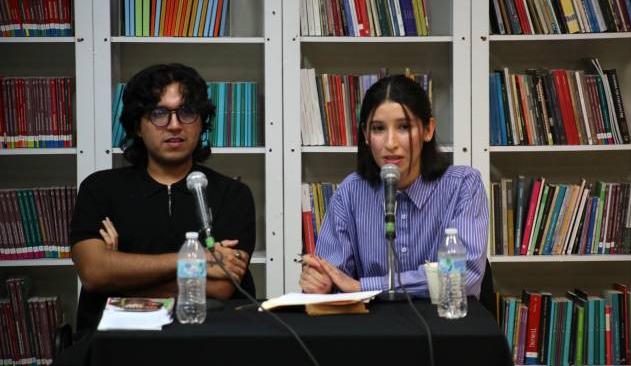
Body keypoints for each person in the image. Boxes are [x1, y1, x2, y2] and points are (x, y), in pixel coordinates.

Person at [70, 63, 256, 332]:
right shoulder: (99, 189)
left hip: (210, 340)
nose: (174, 125)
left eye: (187, 112)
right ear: (137, 125)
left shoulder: (232, 194)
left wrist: (120, 275)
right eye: (159, 113)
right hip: (117, 344)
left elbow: (221, 286)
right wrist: (195, 260)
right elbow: (94, 274)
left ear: (202, 121)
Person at [299, 75, 488, 297]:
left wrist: (363, 287)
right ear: (366, 135)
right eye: (378, 128)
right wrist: (321, 282)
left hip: (443, 326)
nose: (390, 143)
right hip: (375, 327)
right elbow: (332, 275)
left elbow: (459, 277)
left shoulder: (464, 186)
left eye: (404, 127)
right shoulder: (349, 193)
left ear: (428, 130)